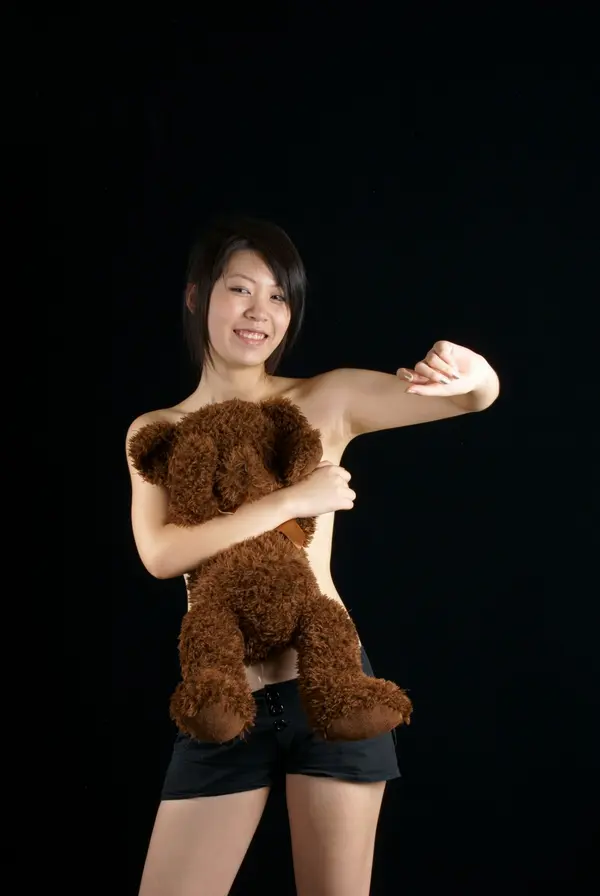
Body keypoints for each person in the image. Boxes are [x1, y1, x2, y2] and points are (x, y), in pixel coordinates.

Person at [126, 216, 500, 896]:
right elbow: (161, 553)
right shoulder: (157, 431)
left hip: (328, 688)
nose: (259, 312)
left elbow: (470, 399)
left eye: (279, 296)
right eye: (240, 289)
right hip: (224, 697)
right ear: (196, 296)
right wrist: (290, 501)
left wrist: (474, 374)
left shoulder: (325, 399)